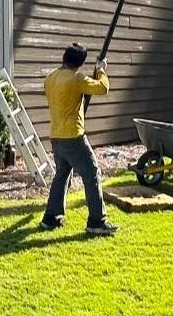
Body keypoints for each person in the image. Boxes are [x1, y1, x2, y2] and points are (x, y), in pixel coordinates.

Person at [40, 43, 117, 236]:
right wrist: (101, 70)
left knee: (62, 175)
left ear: (64, 58)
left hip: (56, 136)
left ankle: (51, 218)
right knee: (92, 173)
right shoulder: (76, 79)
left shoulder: (50, 78)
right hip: (74, 136)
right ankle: (96, 221)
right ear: (80, 63)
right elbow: (103, 88)